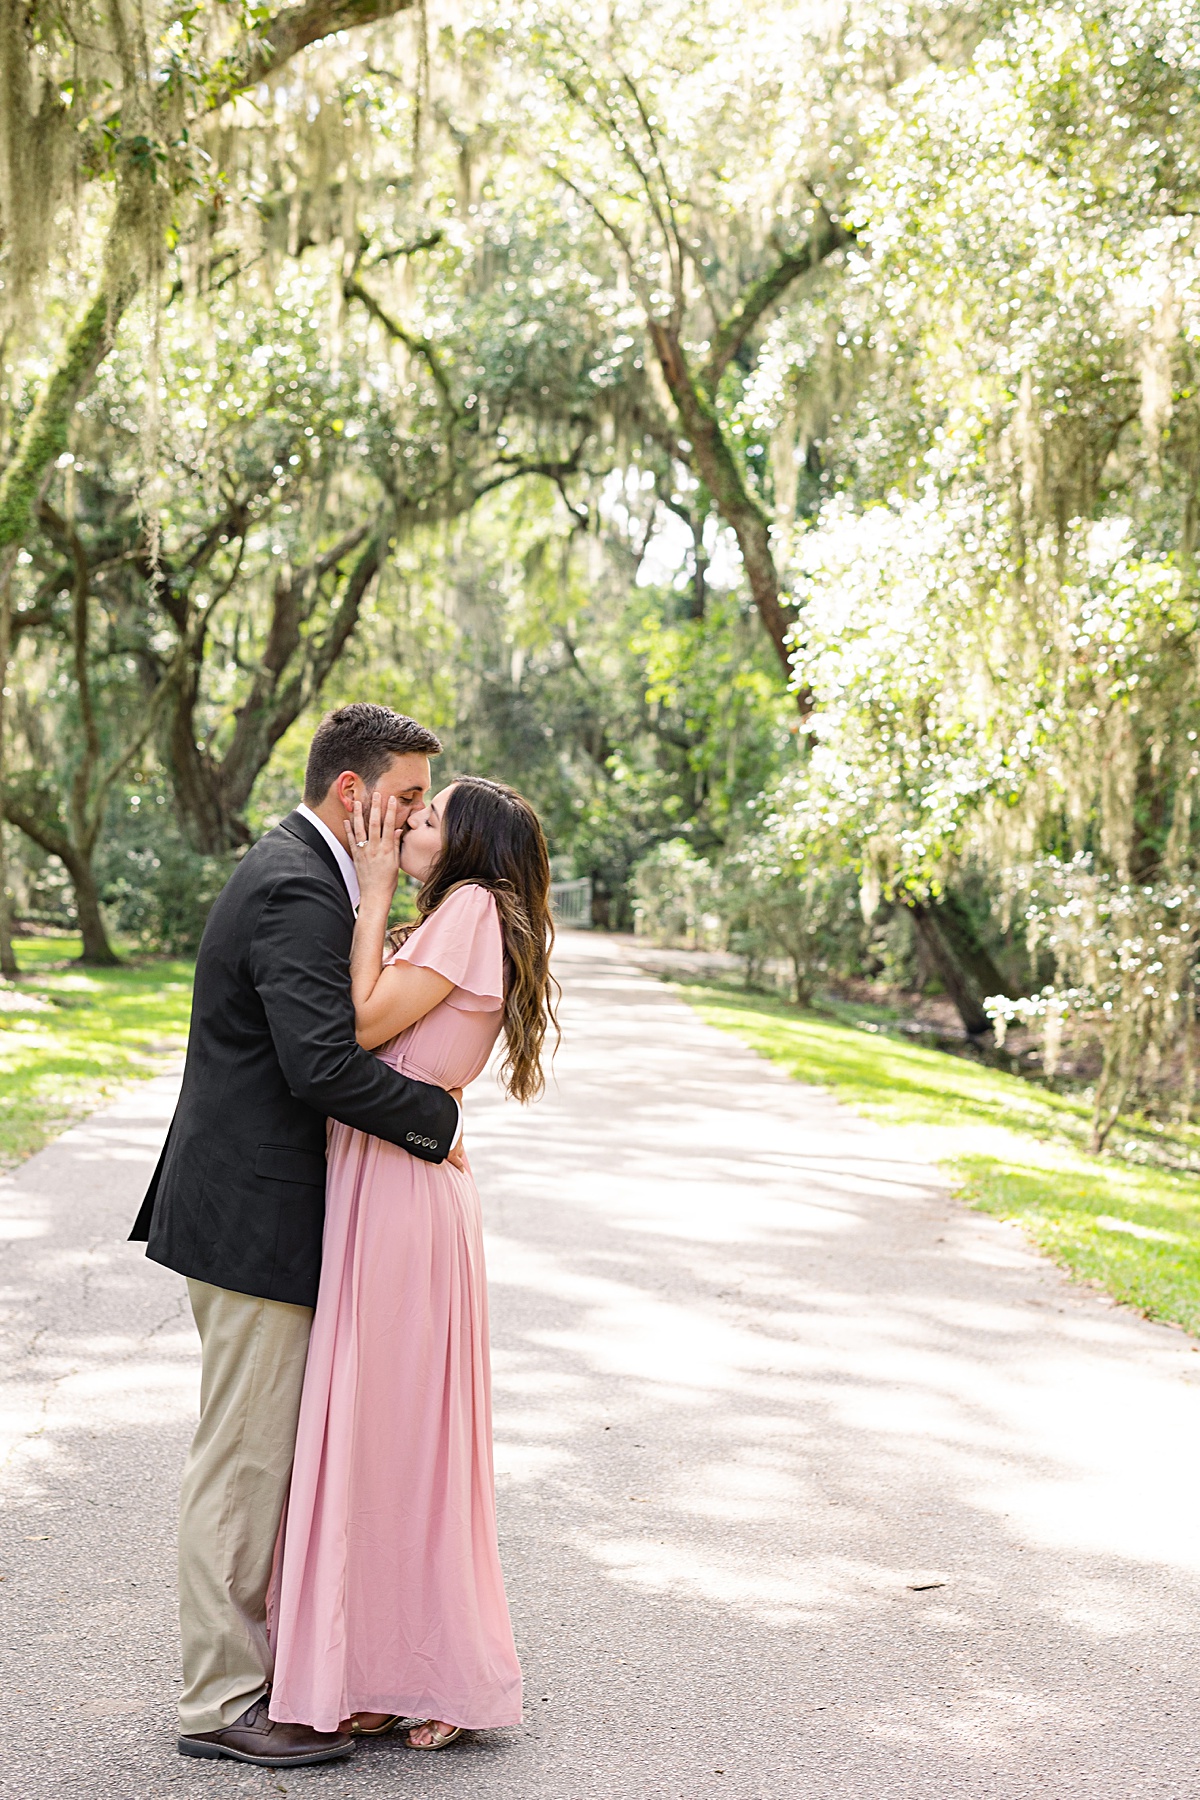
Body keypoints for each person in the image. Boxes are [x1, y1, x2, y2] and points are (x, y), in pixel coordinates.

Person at [130, 704, 464, 1770]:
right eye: (407, 799)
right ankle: (220, 1701)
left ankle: (263, 1671)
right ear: (354, 795)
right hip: (252, 1218)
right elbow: (318, 1063)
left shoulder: (314, 876)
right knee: (242, 1463)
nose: (416, 823)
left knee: (262, 1458)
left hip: (265, 1212)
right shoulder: (293, 885)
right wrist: (439, 1122)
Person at [266, 774, 557, 1752]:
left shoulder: (469, 910)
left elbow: (359, 1024)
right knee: (382, 1440)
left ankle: (438, 1671)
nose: (410, 822)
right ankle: (384, 1667)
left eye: (428, 817)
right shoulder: (463, 917)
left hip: (400, 1192)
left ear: (469, 847)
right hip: (384, 1179)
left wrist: (378, 879)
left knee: (402, 1444)